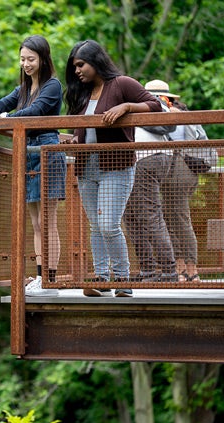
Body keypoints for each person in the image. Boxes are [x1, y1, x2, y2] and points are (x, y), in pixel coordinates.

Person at [0, 35, 66, 297]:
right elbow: (1, 104)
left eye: (30, 59)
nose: (25, 64)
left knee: (47, 219)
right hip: (27, 152)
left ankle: (49, 279)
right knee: (35, 222)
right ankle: (41, 277)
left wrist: (9, 118)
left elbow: (37, 111)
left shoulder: (52, 86)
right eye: (22, 59)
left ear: (43, 59)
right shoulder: (23, 89)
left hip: (47, 150)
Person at [63, 40, 163, 297]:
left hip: (116, 165)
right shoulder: (82, 93)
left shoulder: (121, 84)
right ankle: (101, 277)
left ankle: (123, 278)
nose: (77, 71)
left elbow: (155, 105)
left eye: (81, 65)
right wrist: (74, 139)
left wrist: (126, 107)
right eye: (74, 66)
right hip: (87, 167)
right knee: (96, 226)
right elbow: (82, 130)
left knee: (108, 224)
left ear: (96, 61)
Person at [148, 80, 207, 282]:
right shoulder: (186, 115)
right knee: (176, 219)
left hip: (175, 171)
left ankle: (188, 270)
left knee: (176, 221)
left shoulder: (164, 114)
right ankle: (185, 269)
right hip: (188, 173)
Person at [122, 81, 179, 282]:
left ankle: (168, 271)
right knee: (132, 217)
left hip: (144, 158)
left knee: (147, 215)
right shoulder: (164, 107)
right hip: (156, 157)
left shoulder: (137, 103)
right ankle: (148, 269)